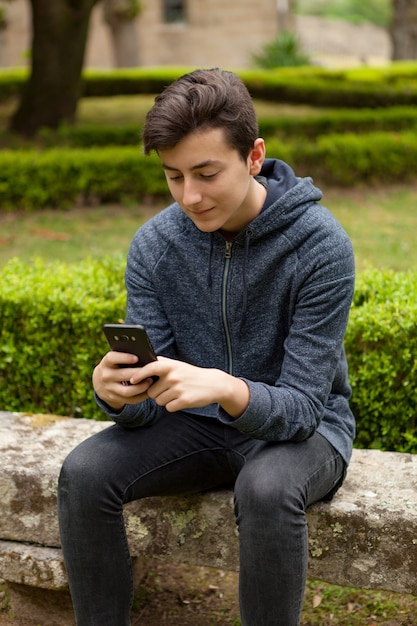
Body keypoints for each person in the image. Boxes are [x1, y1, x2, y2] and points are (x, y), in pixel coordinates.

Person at [58, 68, 355, 626]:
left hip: (305, 435)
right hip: (195, 426)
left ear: (253, 155)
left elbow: (303, 409)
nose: (190, 197)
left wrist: (228, 388)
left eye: (206, 173)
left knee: (266, 489)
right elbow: (149, 403)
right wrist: (119, 396)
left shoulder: (321, 246)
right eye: (173, 177)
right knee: (85, 470)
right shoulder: (154, 245)